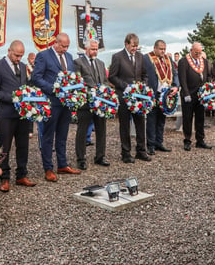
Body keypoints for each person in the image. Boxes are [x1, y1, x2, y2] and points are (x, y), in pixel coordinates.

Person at [0, 40, 37, 192]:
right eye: (16, 55)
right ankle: (4, 178)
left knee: (23, 145)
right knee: (5, 147)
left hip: (22, 114)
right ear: (9, 51)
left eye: (21, 56)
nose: (18, 58)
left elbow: (25, 86)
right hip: (6, 114)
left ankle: (22, 175)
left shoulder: (23, 66)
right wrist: (12, 98)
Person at [31, 33, 81, 180]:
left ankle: (62, 164)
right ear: (56, 43)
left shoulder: (70, 57)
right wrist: (54, 88)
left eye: (67, 46)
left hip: (66, 103)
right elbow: (36, 78)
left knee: (63, 135)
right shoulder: (44, 56)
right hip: (51, 102)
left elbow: (71, 77)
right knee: (47, 136)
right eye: (63, 46)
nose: (65, 49)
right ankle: (48, 168)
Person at [109, 33, 150, 162]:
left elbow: (145, 75)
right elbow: (112, 76)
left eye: (136, 46)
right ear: (126, 44)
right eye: (133, 46)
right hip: (124, 97)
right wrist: (125, 86)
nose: (135, 48)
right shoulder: (117, 57)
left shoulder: (140, 57)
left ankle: (141, 150)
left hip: (138, 97)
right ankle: (126, 153)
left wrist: (143, 86)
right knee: (125, 126)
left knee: (140, 124)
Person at [74, 39, 111, 168]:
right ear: (86, 49)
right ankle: (81, 159)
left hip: (100, 103)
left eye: (96, 49)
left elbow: (105, 81)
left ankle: (100, 156)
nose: (95, 51)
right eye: (92, 49)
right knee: (82, 131)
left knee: (101, 129)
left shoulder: (100, 63)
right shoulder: (78, 63)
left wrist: (104, 93)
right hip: (85, 104)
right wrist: (91, 93)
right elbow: (78, 82)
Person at [143, 39, 179, 154]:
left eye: (164, 49)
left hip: (166, 94)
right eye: (161, 49)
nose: (163, 51)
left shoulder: (168, 59)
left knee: (162, 120)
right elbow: (142, 74)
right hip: (153, 93)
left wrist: (176, 86)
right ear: (155, 48)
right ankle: (150, 145)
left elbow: (175, 74)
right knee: (151, 119)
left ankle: (159, 142)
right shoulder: (147, 58)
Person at [178, 42, 212, 151]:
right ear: (191, 50)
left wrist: (207, 90)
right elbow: (182, 79)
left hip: (201, 95)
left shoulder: (205, 62)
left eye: (200, 52)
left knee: (200, 118)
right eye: (196, 52)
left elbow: (208, 77)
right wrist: (186, 93)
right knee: (187, 118)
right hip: (189, 94)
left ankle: (200, 140)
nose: (198, 54)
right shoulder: (184, 61)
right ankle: (187, 140)